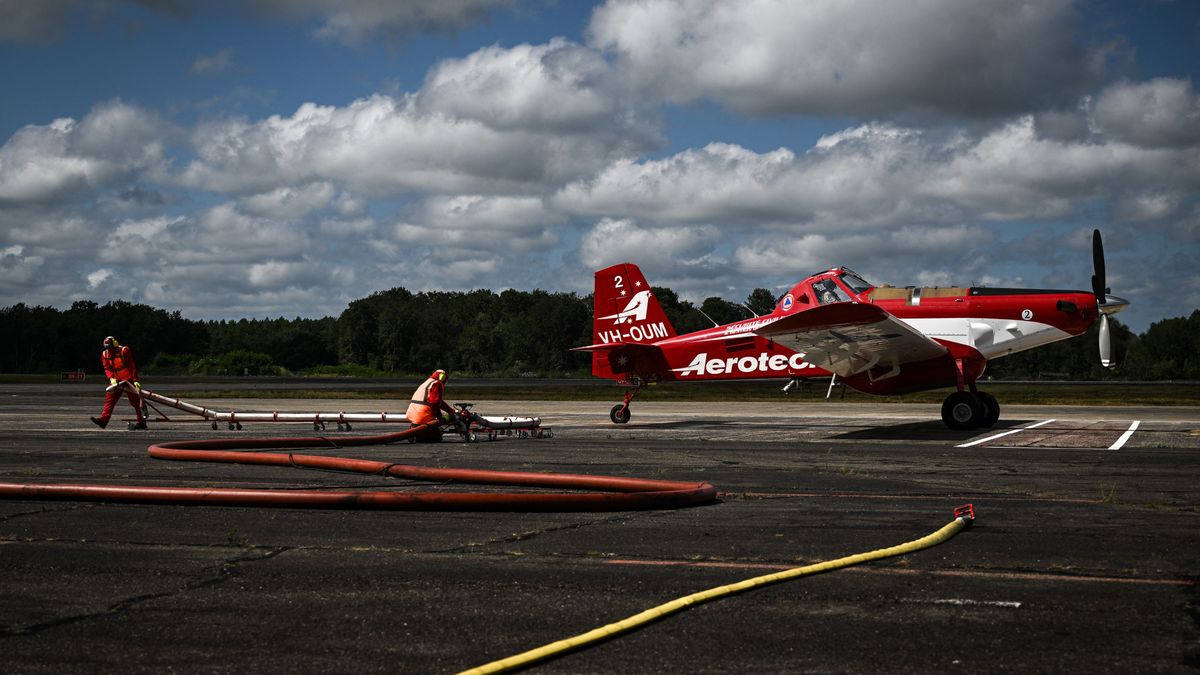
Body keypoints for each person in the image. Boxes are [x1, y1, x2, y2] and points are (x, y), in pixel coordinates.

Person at [91, 336, 147, 430]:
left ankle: (141, 422)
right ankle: (103, 421)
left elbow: (131, 366)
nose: (109, 350)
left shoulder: (124, 351)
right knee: (110, 399)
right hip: (117, 381)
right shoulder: (105, 354)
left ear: (115, 344)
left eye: (110, 347)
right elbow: (107, 368)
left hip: (128, 380)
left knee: (135, 402)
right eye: (107, 348)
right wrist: (111, 378)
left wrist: (135, 381)